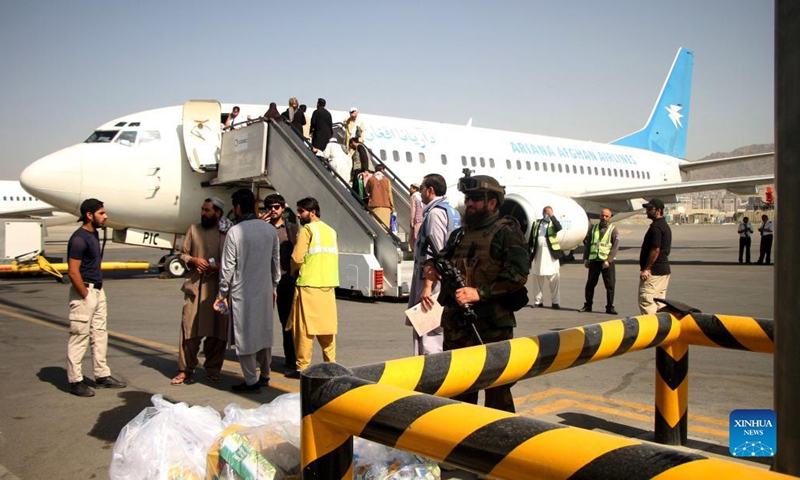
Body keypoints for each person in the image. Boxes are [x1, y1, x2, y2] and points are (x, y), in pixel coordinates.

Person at [428, 174, 529, 412]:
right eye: (467, 198)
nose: (469, 203)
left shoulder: (505, 232)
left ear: (492, 202)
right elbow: (443, 259)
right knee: (459, 391)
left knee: (497, 392)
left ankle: (502, 443)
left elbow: (517, 275)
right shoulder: (460, 234)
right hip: (457, 327)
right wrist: (431, 267)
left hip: (490, 327)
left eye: (476, 199)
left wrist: (479, 293)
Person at [215, 189, 280, 393]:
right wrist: (274, 286)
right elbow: (275, 263)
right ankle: (266, 374)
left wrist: (221, 293)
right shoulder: (269, 230)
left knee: (245, 336)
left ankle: (251, 380)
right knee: (264, 333)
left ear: (238, 208)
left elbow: (227, 267)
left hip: (242, 293)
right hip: (264, 289)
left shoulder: (235, 231)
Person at [66, 199, 126, 397]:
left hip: (98, 290)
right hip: (86, 292)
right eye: (101, 213)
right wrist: (85, 294)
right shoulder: (79, 239)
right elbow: (73, 271)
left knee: (99, 334)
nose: (106, 216)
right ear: (89, 215)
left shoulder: (94, 235)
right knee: (79, 336)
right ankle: (75, 381)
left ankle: (102, 376)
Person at [171, 197, 229, 385]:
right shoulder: (194, 230)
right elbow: (182, 254)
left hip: (219, 290)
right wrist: (194, 261)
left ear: (218, 213)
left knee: (218, 334)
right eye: (202, 210)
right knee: (189, 331)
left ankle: (213, 369)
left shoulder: (227, 233)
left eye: (207, 210)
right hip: (196, 289)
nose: (203, 213)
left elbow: (234, 260)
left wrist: (218, 267)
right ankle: (185, 370)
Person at [285, 197, 339, 378]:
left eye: (301, 211)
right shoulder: (331, 231)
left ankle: (302, 368)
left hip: (308, 285)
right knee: (327, 329)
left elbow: (297, 258)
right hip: (328, 285)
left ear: (312, 212)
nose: (298, 215)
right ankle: (331, 365)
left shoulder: (306, 230)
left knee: (304, 330)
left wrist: (293, 270)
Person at [408, 174, 461, 355]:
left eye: (422, 188)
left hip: (433, 282)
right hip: (441, 280)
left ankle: (430, 375)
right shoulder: (450, 211)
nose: (419, 192)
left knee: (429, 333)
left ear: (430, 190)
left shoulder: (435, 214)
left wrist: (427, 287)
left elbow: (436, 253)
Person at [261, 194, 298, 370]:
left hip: (285, 281)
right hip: (264, 281)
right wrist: (259, 226)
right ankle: (260, 359)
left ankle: (291, 359)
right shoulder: (260, 227)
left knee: (287, 323)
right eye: (269, 207)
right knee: (261, 322)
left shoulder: (291, 229)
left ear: (283, 209)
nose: (273, 210)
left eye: (276, 207)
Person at [579, 208, 619, 315]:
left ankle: (610, 307)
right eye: (602, 215)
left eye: (606, 216)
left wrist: (609, 260)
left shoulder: (613, 229)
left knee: (610, 285)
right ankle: (588, 305)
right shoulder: (594, 228)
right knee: (590, 284)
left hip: (606, 262)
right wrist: (586, 259)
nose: (604, 218)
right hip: (594, 260)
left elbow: (615, 247)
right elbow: (588, 244)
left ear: (610, 217)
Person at [638, 198, 672, 314]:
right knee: (660, 303)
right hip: (663, 271)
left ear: (658, 210)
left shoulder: (656, 228)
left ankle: (652, 330)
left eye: (649, 209)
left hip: (654, 272)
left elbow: (655, 250)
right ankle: (662, 330)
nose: (647, 211)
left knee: (646, 301)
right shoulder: (664, 226)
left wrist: (646, 269)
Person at [529, 206, 563, 309]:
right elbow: (531, 240)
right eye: (546, 213)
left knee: (554, 279)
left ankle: (555, 302)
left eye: (549, 213)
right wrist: (529, 255)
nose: (547, 215)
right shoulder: (536, 224)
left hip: (551, 256)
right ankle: (538, 301)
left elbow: (558, 228)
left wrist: (552, 216)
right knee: (537, 279)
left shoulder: (553, 223)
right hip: (538, 256)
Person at [366, 163, 394, 227]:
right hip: (385, 206)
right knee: (384, 227)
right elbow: (390, 194)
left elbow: (367, 191)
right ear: (382, 170)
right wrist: (392, 206)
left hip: (374, 206)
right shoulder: (387, 180)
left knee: (375, 226)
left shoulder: (371, 179)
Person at [408, 183, 424, 251]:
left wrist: (411, 221)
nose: (410, 189)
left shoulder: (413, 197)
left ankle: (416, 252)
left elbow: (413, 209)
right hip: (423, 219)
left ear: (414, 188)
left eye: (411, 188)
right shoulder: (421, 196)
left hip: (416, 220)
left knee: (412, 238)